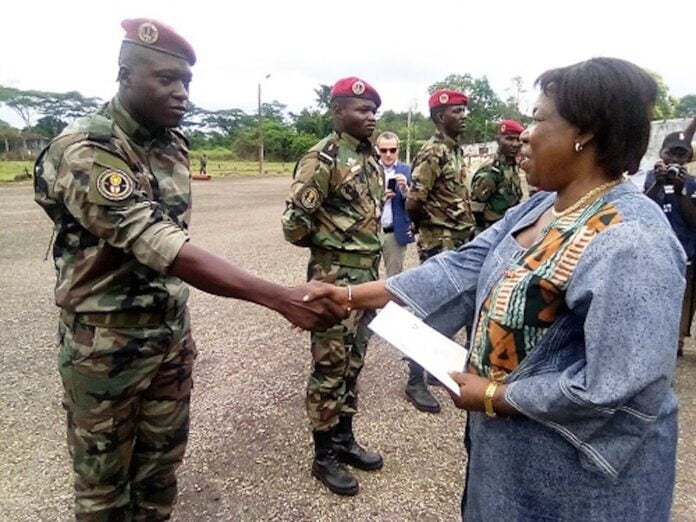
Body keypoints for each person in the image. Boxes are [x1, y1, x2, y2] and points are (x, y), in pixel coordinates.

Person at [305, 57, 681, 521]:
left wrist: (496, 397)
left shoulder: (630, 238)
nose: (524, 133)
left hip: (576, 487)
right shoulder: (544, 205)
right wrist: (347, 297)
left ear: (586, 132)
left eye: (539, 119)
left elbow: (619, 385)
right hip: (511, 460)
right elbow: (466, 263)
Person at [33, 19, 342, 520]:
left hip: (170, 337)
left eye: (187, 82)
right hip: (106, 347)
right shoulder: (85, 149)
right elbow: (161, 243)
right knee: (104, 489)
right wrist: (278, 296)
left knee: (159, 473)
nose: (181, 93)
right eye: (166, 79)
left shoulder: (172, 143)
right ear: (125, 74)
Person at [281, 77, 384, 496]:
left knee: (354, 363)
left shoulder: (371, 157)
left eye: (373, 110)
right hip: (334, 276)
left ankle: (344, 438)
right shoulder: (322, 157)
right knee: (329, 368)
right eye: (361, 109)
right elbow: (293, 225)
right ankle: (323, 454)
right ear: (338, 112)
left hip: (367, 277)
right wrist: (330, 249)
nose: (370, 117)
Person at [403, 89, 475, 414]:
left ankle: (433, 368)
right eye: (457, 111)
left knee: (449, 307)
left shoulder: (455, 150)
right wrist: (429, 229)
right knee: (429, 309)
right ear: (439, 117)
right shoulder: (433, 152)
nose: (463, 116)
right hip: (439, 242)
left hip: (457, 241)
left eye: (464, 110)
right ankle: (414, 379)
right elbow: (414, 201)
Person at [644, 129, 696, 355]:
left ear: (688, 159)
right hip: (653, 252)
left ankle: (676, 342)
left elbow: (694, 221)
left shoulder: (692, 184)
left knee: (682, 299)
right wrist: (657, 183)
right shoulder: (649, 179)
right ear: (661, 153)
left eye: (681, 155)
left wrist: (680, 192)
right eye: (670, 153)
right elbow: (641, 209)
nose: (675, 160)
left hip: (685, 254)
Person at [470, 119, 524, 235]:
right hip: (490, 231)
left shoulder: (512, 167)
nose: (515, 144)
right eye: (509, 139)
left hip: (508, 228)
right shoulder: (491, 171)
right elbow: (476, 208)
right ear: (499, 140)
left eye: (518, 139)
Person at [376, 131, 414, 277]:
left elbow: (417, 202)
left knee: (394, 278)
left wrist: (405, 190)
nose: (388, 154)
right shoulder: (369, 169)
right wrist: (381, 198)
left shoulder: (407, 170)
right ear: (377, 150)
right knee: (365, 278)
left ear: (398, 150)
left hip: (394, 232)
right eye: (383, 150)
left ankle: (391, 301)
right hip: (371, 232)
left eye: (392, 150)